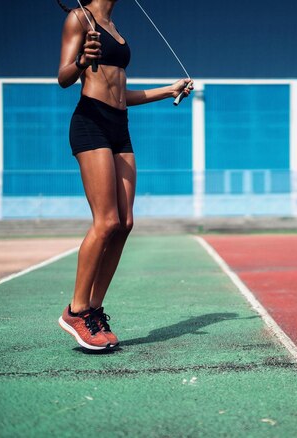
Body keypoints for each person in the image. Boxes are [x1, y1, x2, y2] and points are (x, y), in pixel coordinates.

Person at [55, 0, 192, 351]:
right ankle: (76, 310)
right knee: (105, 221)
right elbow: (63, 78)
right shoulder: (78, 18)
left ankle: (94, 309)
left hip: (119, 126)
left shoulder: (114, 28)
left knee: (125, 222)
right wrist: (83, 60)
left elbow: (120, 93)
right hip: (91, 123)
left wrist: (168, 90)